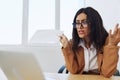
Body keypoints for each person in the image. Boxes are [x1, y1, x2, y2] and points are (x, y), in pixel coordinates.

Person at [59, 7, 120, 78]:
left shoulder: (106, 43)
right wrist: (67, 48)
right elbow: (73, 70)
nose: (80, 27)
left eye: (84, 22)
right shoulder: (73, 43)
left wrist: (112, 45)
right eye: (77, 23)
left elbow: (107, 73)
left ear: (94, 24)